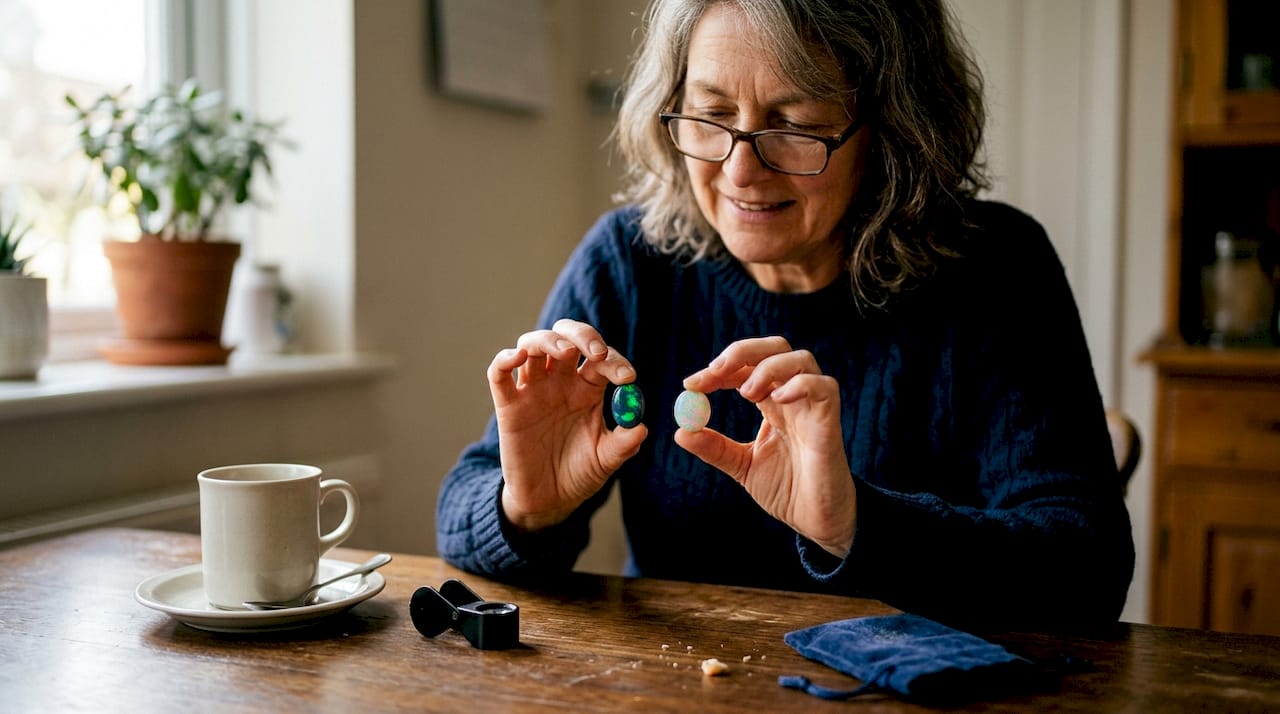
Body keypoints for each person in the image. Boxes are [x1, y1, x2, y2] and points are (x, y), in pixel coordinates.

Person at [436, 0, 1134, 629]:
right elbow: (463, 510)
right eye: (710, 117)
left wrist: (855, 524)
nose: (741, 170)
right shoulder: (630, 260)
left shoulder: (995, 269)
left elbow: (1087, 572)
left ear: (893, 130)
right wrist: (526, 508)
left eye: (794, 125)